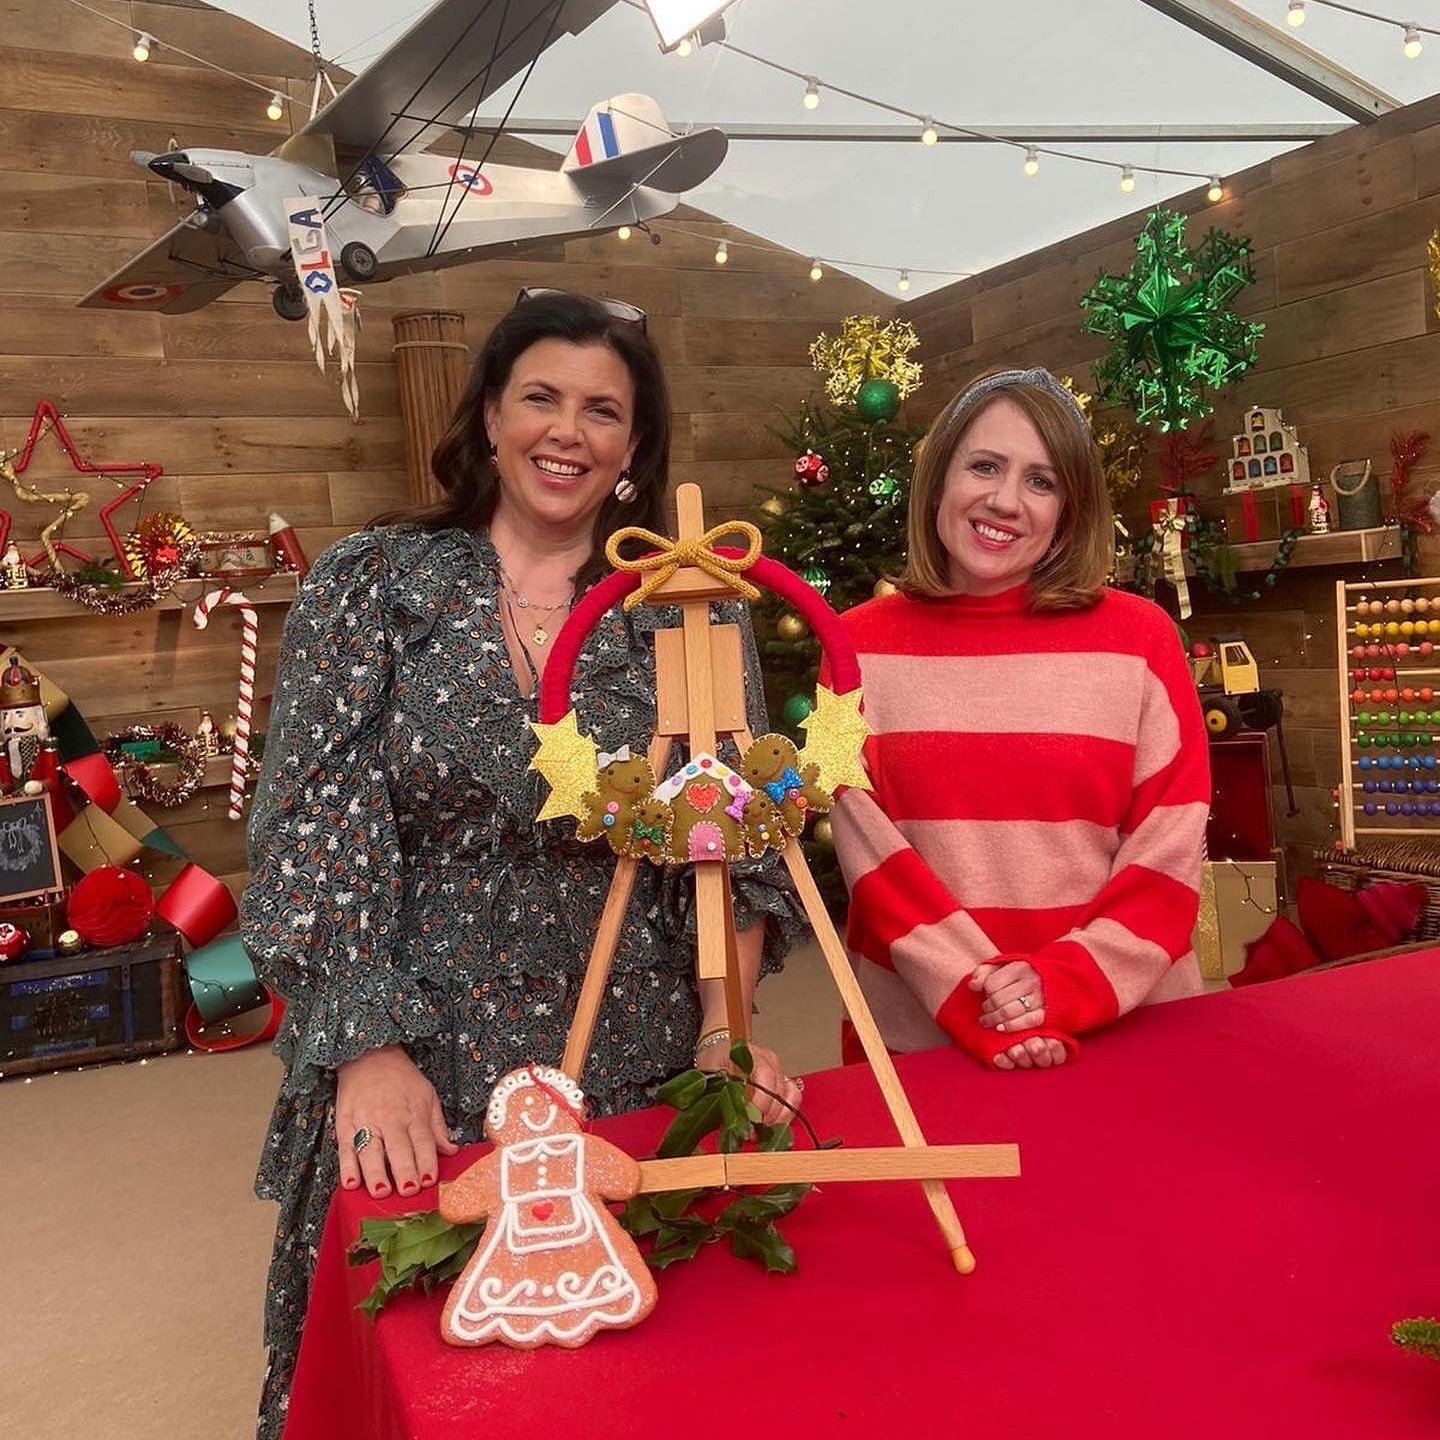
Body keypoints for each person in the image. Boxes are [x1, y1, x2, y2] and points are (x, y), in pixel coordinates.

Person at [239, 290, 805, 1438]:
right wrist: (366, 1049)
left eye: (604, 410)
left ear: (635, 447)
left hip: (636, 1051)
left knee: (642, 1380)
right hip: (421, 1059)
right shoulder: (374, 584)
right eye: (541, 396)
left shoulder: (689, 613)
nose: (568, 431)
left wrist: (723, 1032)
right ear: (490, 414)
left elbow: (733, 847)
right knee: (435, 1377)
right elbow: (314, 823)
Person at [830, 366, 1209, 1072]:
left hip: (1127, 1030)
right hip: (922, 1039)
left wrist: (1062, 985)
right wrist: (983, 998)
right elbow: (867, 853)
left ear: (1072, 507)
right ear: (941, 476)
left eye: (1042, 481)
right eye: (984, 466)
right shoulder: (854, 646)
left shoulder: (1141, 638)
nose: (1005, 501)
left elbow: (1169, 846)